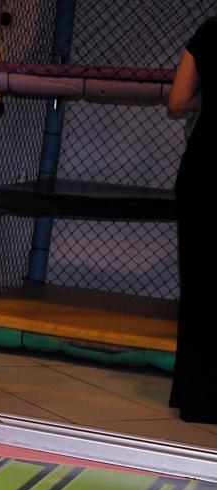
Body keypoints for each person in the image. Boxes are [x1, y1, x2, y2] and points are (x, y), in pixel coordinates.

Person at [168, 17, 216, 423]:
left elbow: (178, 100)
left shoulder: (209, 32)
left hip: (205, 167)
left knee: (200, 280)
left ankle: (194, 395)